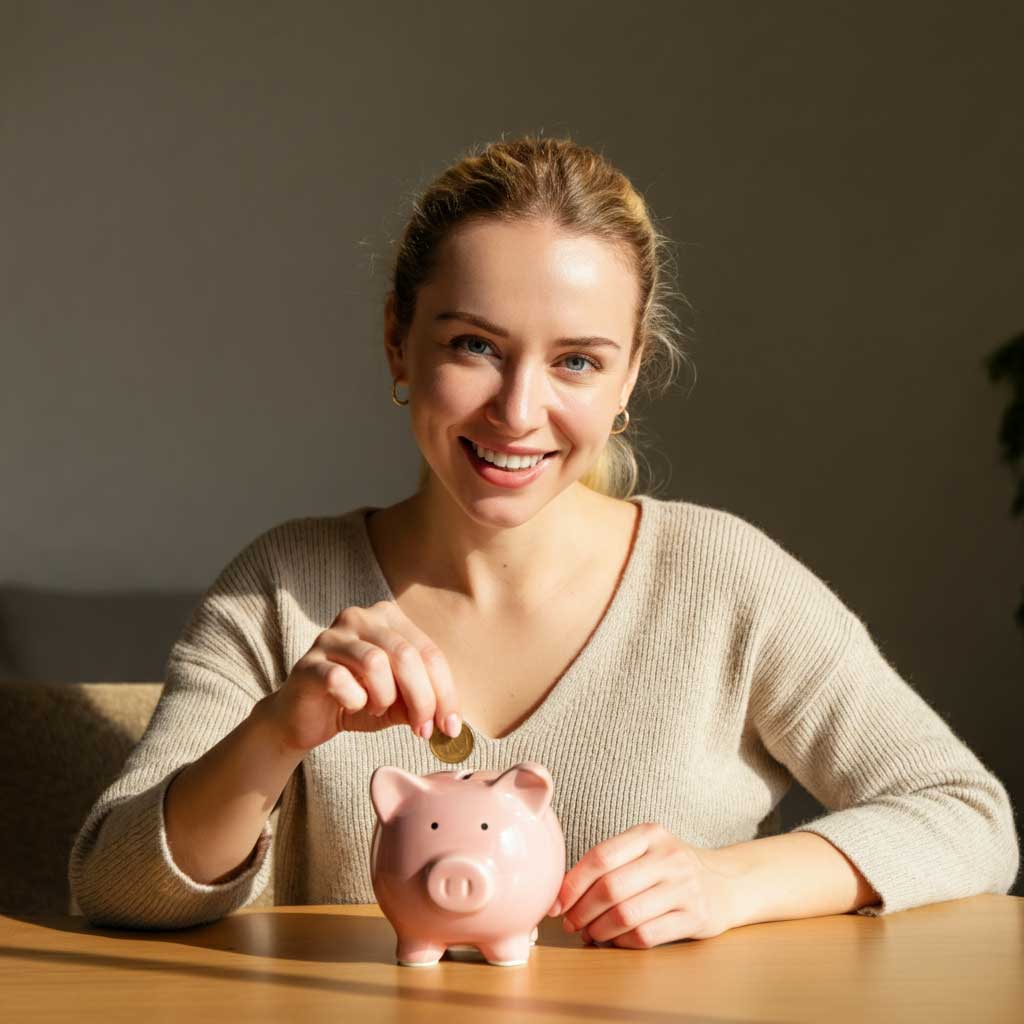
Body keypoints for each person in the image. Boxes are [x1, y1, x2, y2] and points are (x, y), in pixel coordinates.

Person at [68, 136, 1019, 946]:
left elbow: (969, 817)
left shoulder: (723, 580)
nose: (520, 412)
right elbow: (110, 886)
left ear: (630, 377)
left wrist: (730, 886)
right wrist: (280, 731)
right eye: (474, 346)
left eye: (576, 361)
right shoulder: (284, 586)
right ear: (399, 341)